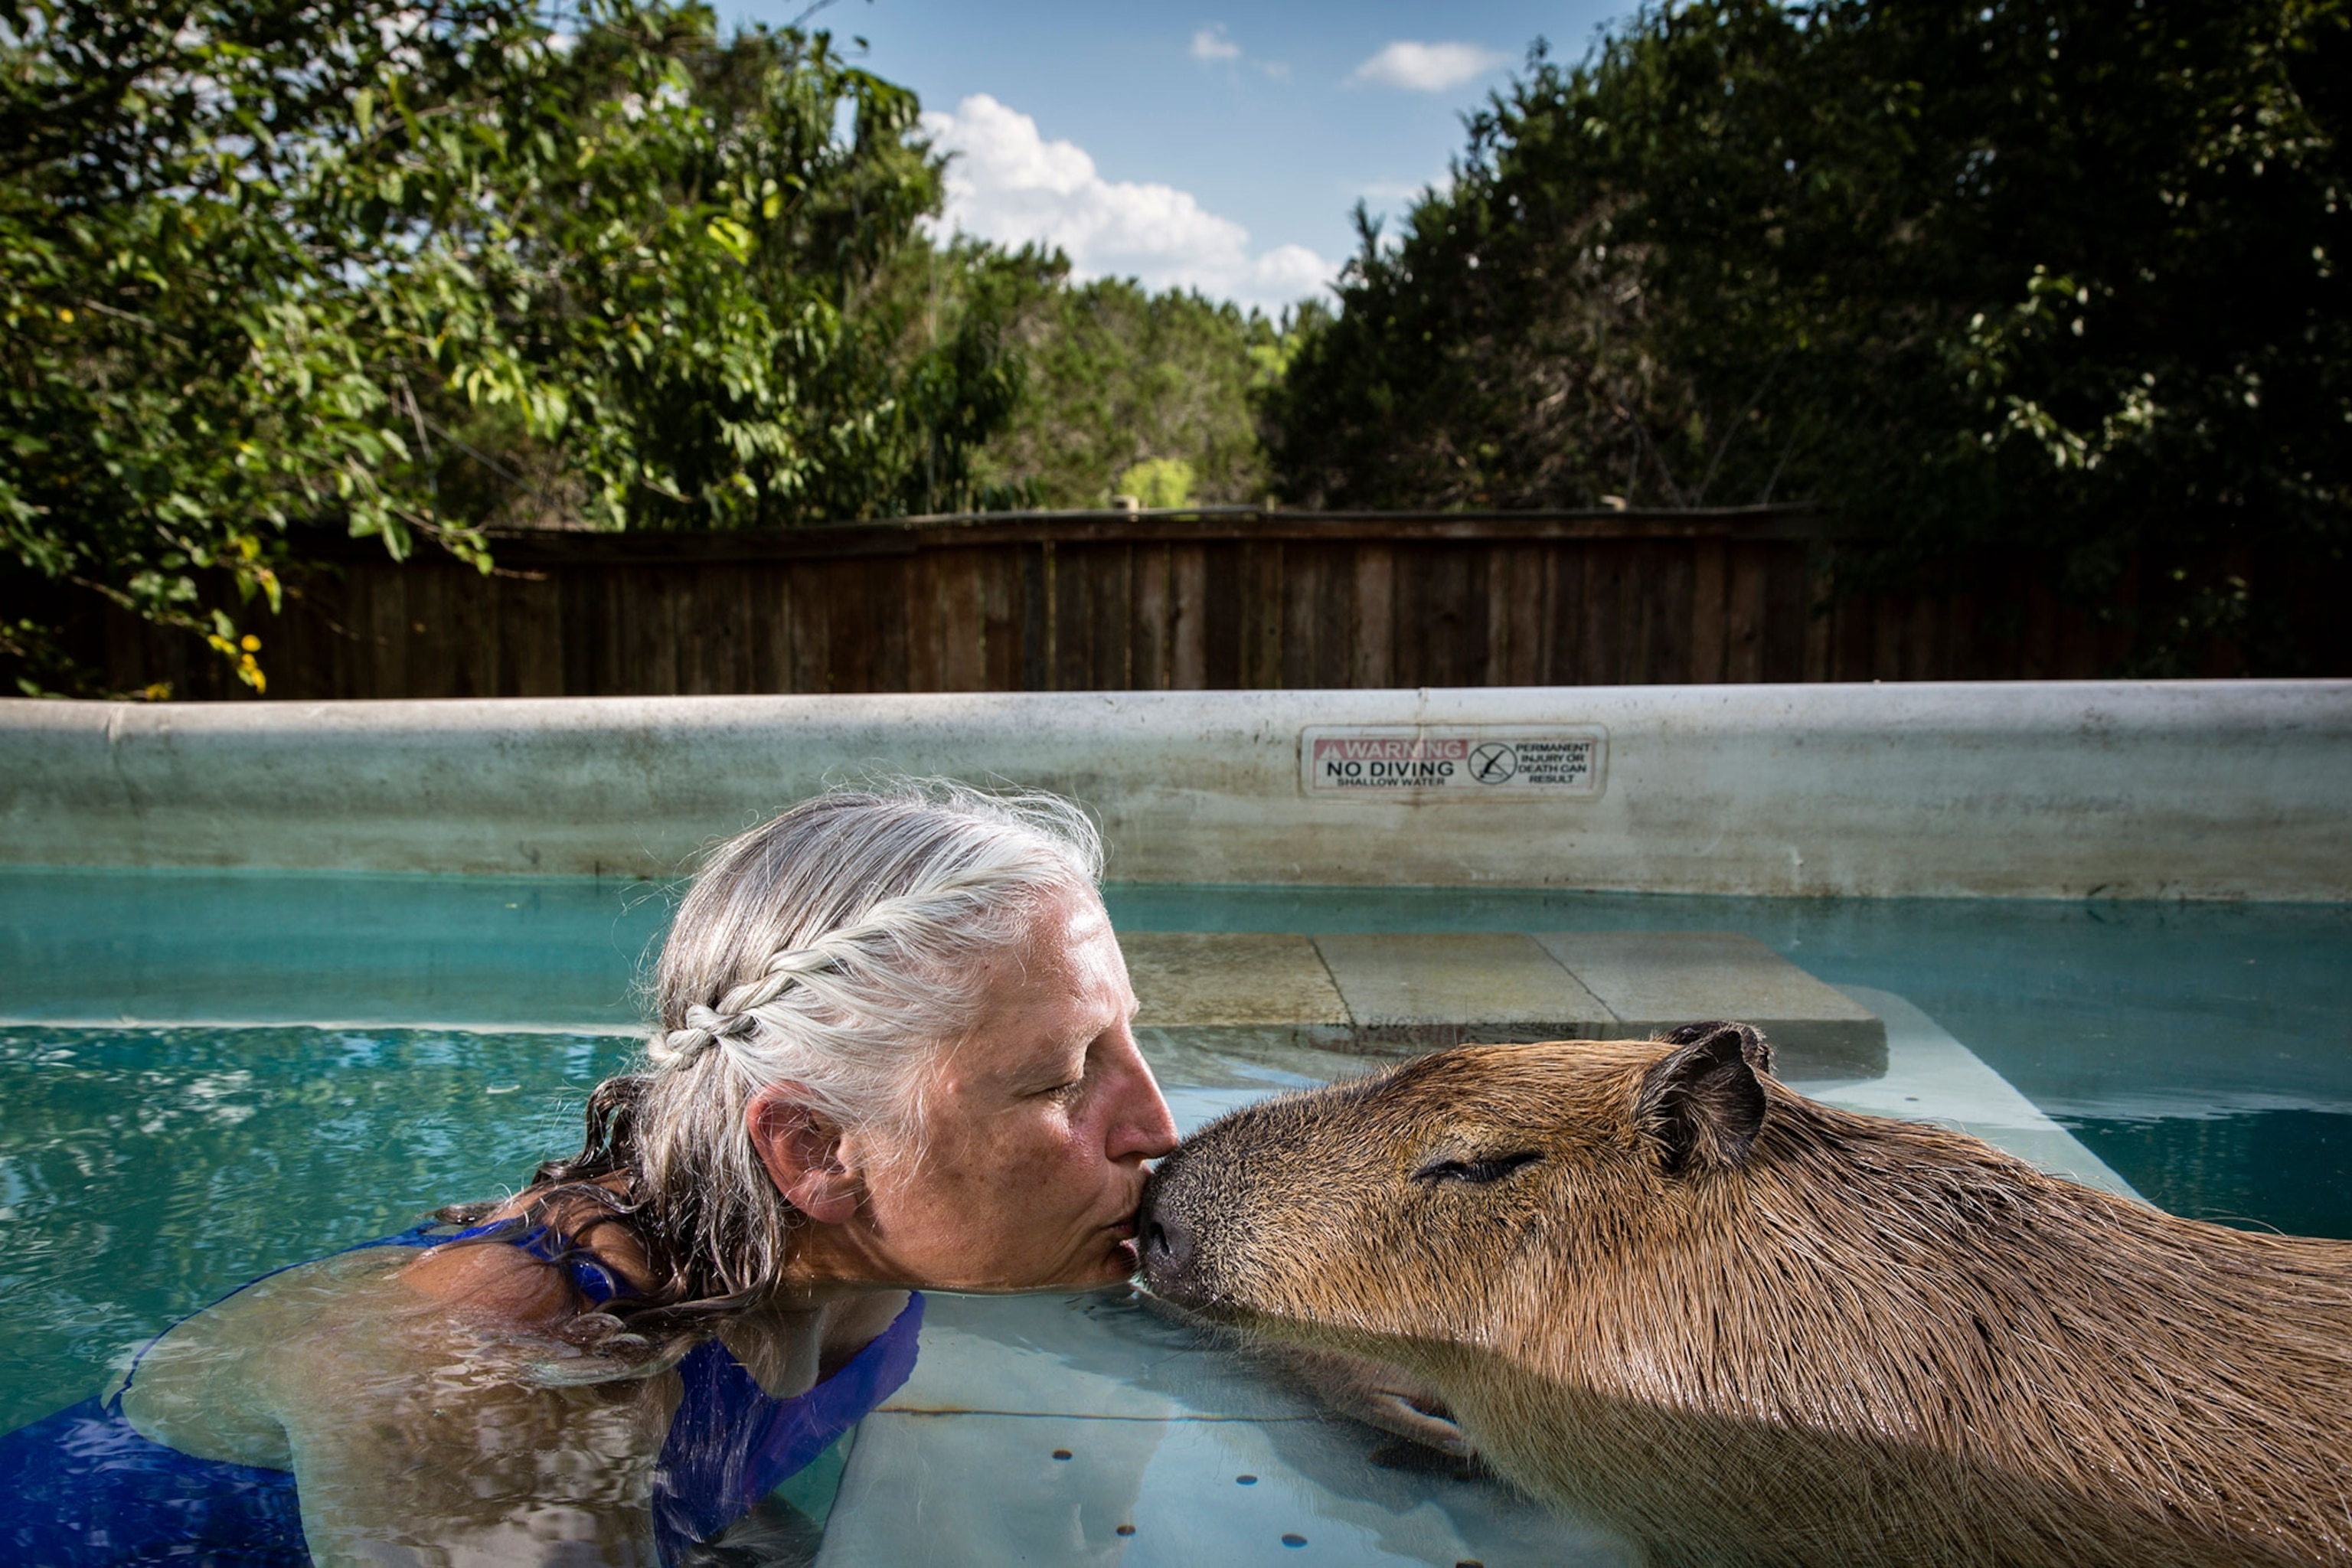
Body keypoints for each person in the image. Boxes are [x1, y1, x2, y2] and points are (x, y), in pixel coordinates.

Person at [0, 783, 1181, 1564]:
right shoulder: (499, 1380)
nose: (1158, 1126)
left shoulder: (858, 1266)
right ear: (815, 1152)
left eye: (1128, 1041)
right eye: (1061, 1080)